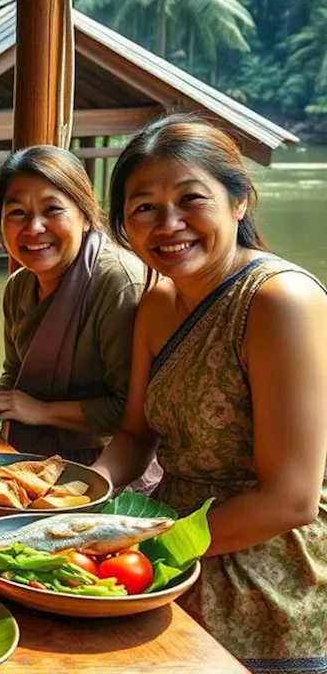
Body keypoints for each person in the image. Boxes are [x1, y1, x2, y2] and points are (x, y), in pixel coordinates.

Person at [91, 115, 327, 671]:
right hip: (166, 553)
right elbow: (134, 434)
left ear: (239, 200)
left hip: (268, 576)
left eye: (190, 199)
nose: (168, 224)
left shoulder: (278, 301)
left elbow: (290, 499)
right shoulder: (157, 303)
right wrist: (79, 494)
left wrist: (148, 550)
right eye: (144, 207)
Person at [0, 145, 145, 465]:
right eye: (17, 213)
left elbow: (133, 411)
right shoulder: (19, 286)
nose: (34, 228)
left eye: (52, 210)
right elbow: (15, 373)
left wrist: (41, 411)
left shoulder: (117, 282)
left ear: (84, 215)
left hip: (108, 467)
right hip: (31, 456)